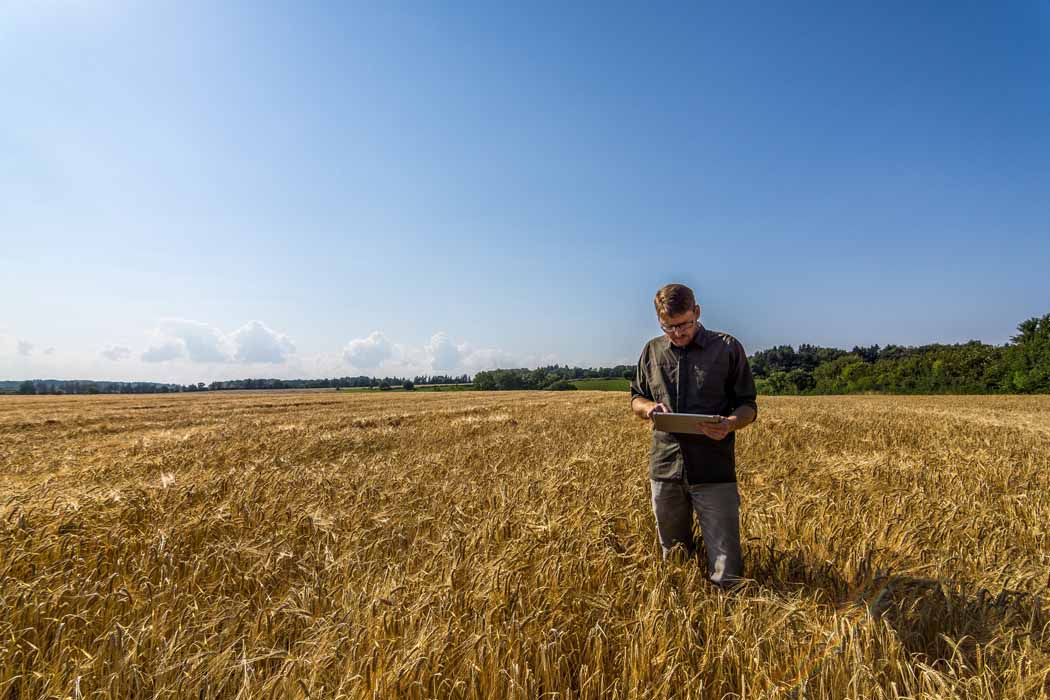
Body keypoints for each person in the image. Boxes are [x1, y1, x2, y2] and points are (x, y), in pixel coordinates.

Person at [629, 283, 758, 588]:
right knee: (673, 559)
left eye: (684, 324)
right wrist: (648, 409)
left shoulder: (727, 348)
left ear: (697, 312)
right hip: (665, 467)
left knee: (726, 565)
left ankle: (727, 624)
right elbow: (636, 397)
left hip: (713, 469)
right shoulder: (652, 350)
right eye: (668, 327)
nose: (677, 333)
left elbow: (748, 406)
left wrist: (729, 423)